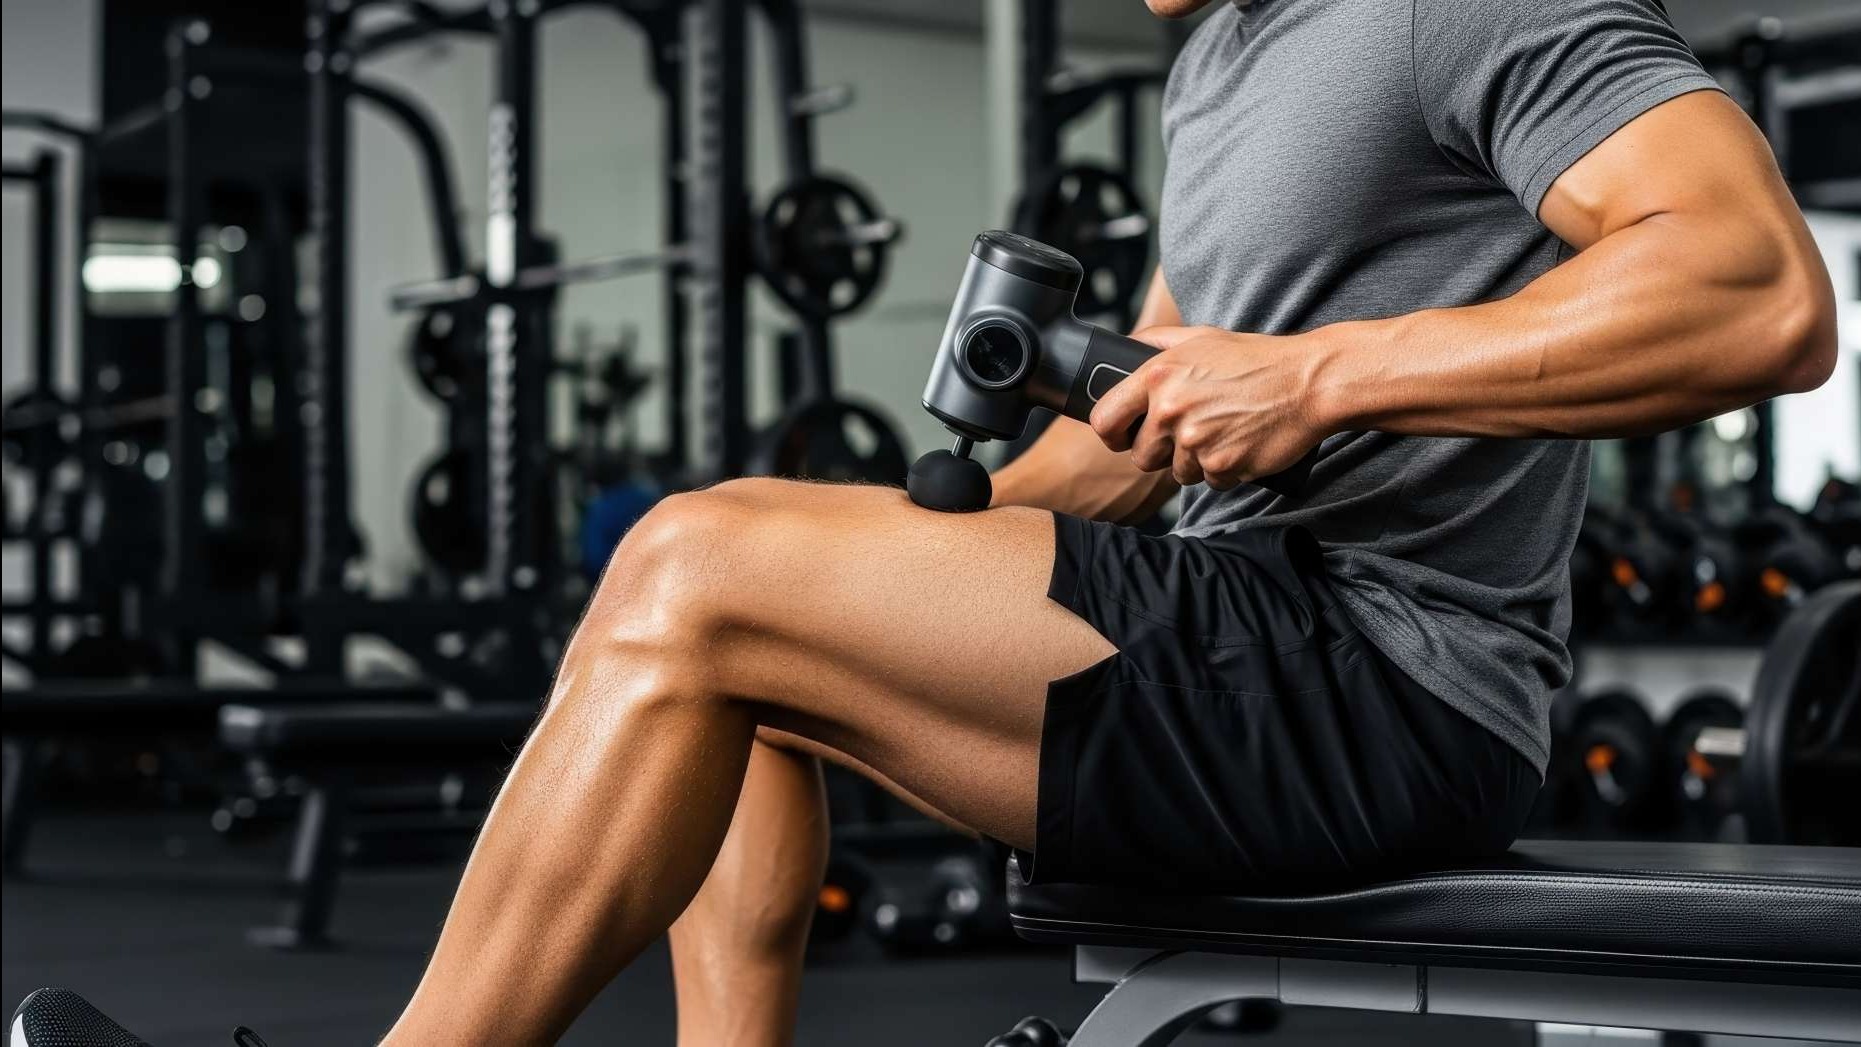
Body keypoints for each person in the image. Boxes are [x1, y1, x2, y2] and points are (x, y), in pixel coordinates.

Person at [14, 0, 1837, 1044]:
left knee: (692, 562)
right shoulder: (1220, 65)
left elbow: (1758, 295)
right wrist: (886, 544)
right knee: (724, 609)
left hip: (1384, 680)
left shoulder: (1463, 2)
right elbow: (1144, 440)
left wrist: (1327, 377)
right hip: (1220, 633)